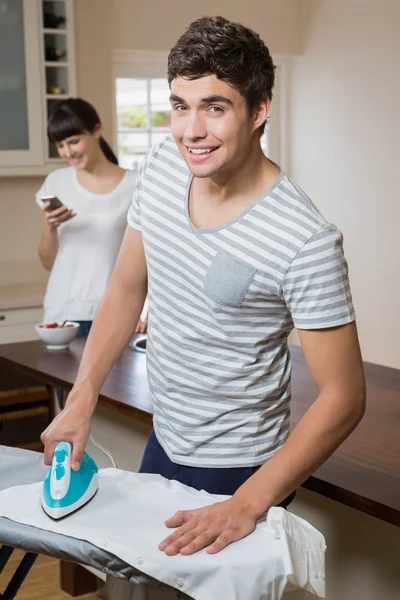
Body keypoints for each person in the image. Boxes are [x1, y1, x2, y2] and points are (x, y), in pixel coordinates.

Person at [41, 17, 365, 558]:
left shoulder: (305, 238)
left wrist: (249, 501)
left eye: (214, 107)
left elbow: (344, 397)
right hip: (165, 440)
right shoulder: (163, 169)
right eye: (180, 105)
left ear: (259, 110)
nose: (190, 130)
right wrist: (81, 398)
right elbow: (126, 288)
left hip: (242, 465)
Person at [36, 97, 147, 335]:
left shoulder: (136, 185)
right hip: (62, 313)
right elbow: (48, 263)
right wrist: (50, 226)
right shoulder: (56, 182)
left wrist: (146, 309)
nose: (68, 152)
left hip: (116, 313)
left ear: (96, 130)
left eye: (74, 141)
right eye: (60, 145)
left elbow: (150, 259)